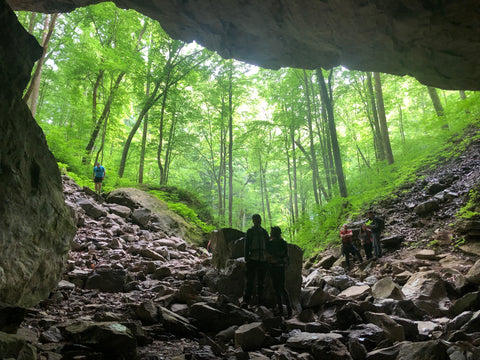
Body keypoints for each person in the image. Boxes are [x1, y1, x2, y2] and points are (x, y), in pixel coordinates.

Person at [242, 214, 269, 307]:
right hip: (252, 259)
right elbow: (246, 246)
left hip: (262, 260)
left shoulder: (264, 232)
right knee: (250, 281)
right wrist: (247, 259)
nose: (258, 221)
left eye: (259, 219)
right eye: (256, 219)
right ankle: (246, 300)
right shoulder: (250, 232)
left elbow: (268, 246)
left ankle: (260, 301)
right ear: (253, 221)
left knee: (261, 283)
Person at [266, 226, 292, 318]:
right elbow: (286, 256)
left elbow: (267, 255)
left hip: (273, 267)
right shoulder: (283, 243)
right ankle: (289, 310)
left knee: (277, 289)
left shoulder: (270, 243)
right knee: (282, 288)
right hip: (280, 267)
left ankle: (281, 310)